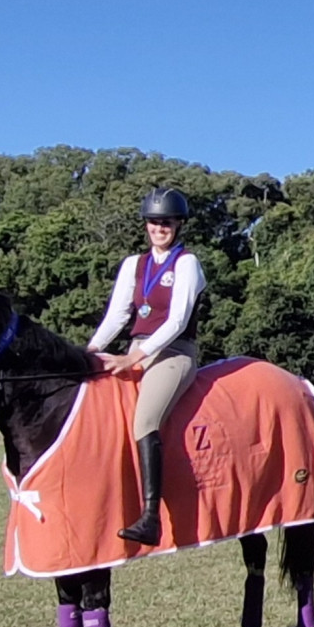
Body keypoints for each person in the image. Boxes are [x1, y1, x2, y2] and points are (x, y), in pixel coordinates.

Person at [87, 187, 205, 546]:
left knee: (145, 420)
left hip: (174, 352)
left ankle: (151, 517)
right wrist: (89, 351)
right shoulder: (133, 265)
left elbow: (176, 321)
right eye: (154, 222)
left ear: (178, 225)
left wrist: (132, 358)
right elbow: (118, 314)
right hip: (136, 349)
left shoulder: (187, 263)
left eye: (166, 222)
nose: (159, 228)